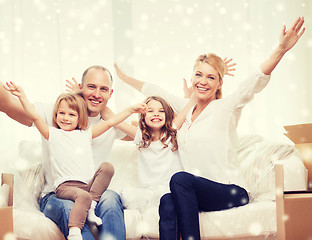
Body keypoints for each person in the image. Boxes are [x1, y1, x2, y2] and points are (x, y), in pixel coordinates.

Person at [114, 17, 305, 240]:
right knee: (167, 199)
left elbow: (253, 83)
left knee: (178, 179)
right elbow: (156, 90)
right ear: (192, 76)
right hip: (195, 191)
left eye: (211, 77)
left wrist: (280, 50)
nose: (203, 81)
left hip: (231, 191)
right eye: (199, 74)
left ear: (220, 83)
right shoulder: (184, 114)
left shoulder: (226, 107)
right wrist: (124, 78)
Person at [0, 31, 128, 239]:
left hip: (94, 194)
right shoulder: (58, 114)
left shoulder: (111, 124)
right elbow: (6, 105)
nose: (96, 94)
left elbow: (145, 135)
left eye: (103, 89)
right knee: (69, 211)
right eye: (91, 87)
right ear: (81, 88)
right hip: (57, 194)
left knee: (112, 201)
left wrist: (106, 112)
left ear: (111, 94)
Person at [4, 82, 146, 240]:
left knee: (107, 168)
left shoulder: (85, 135)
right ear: (55, 115)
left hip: (85, 187)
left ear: (80, 118)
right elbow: (35, 116)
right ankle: (75, 232)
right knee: (83, 197)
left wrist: (131, 110)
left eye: (71, 115)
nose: (65, 118)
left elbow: (111, 122)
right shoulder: (52, 134)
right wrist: (22, 96)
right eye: (61, 113)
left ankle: (91, 206)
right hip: (64, 187)